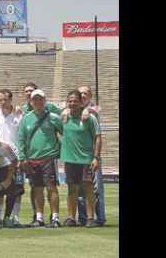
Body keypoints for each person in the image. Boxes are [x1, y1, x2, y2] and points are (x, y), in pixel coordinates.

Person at [17, 89, 65, 228]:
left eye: (40, 99)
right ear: (31, 102)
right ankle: (39, 218)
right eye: (35, 99)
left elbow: (66, 134)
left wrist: (61, 150)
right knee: (37, 189)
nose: (38, 102)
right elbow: (21, 139)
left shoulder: (53, 117)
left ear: (44, 100)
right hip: (32, 158)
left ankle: (55, 218)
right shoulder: (26, 119)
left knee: (51, 188)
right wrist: (22, 157)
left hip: (49, 158)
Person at [60, 89, 102, 228]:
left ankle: (90, 218)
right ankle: (71, 218)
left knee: (88, 188)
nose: (72, 103)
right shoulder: (64, 116)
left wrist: (96, 157)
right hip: (70, 159)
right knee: (72, 189)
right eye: (70, 101)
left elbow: (98, 137)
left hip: (86, 159)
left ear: (81, 102)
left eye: (75, 101)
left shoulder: (89, 118)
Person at [0, 89, 24, 227]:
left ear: (11, 100)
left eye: (6, 99)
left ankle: (14, 217)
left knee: (17, 189)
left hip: (16, 157)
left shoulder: (20, 116)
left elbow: (23, 137)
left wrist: (21, 156)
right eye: (1, 99)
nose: (3, 102)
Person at [73, 85, 106, 227]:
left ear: (91, 96)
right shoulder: (74, 110)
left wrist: (86, 110)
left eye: (85, 93)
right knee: (80, 189)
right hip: (78, 155)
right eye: (80, 93)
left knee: (96, 188)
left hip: (92, 154)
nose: (83, 95)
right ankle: (83, 217)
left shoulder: (95, 108)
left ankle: (100, 217)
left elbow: (95, 111)